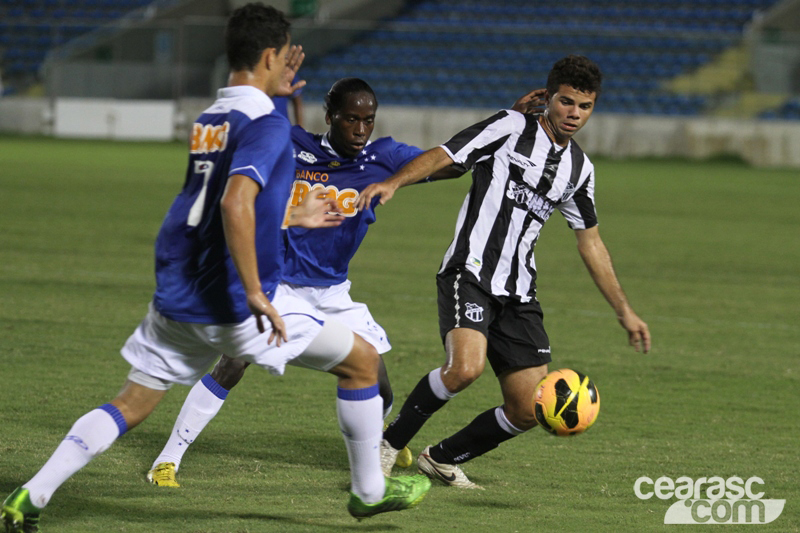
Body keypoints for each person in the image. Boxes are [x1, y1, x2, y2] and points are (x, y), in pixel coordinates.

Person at [0, 5, 431, 531]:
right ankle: (368, 491)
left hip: (178, 290)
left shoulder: (212, 118)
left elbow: (214, 199)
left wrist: (291, 212)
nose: (287, 65)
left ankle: (32, 493)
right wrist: (255, 291)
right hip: (231, 297)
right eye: (283, 56)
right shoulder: (266, 125)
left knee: (131, 403)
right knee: (362, 363)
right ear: (271, 56)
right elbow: (234, 202)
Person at [144, 78, 549, 488]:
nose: (360, 129)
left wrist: (509, 121)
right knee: (233, 362)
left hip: (334, 292)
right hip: (278, 284)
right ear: (330, 117)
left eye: (367, 120)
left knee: (379, 380)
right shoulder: (292, 145)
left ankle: (380, 442)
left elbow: (450, 163)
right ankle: (167, 460)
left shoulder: (383, 156)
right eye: (350, 119)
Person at [356, 55, 652, 489]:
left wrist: (624, 311)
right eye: (566, 102)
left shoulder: (580, 170)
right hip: (470, 271)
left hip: (519, 291)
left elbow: (590, 242)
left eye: (584, 106)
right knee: (465, 369)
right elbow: (447, 154)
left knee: (529, 407)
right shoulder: (510, 127)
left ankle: (441, 459)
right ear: (549, 97)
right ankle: (388, 444)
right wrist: (394, 182)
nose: (574, 113)